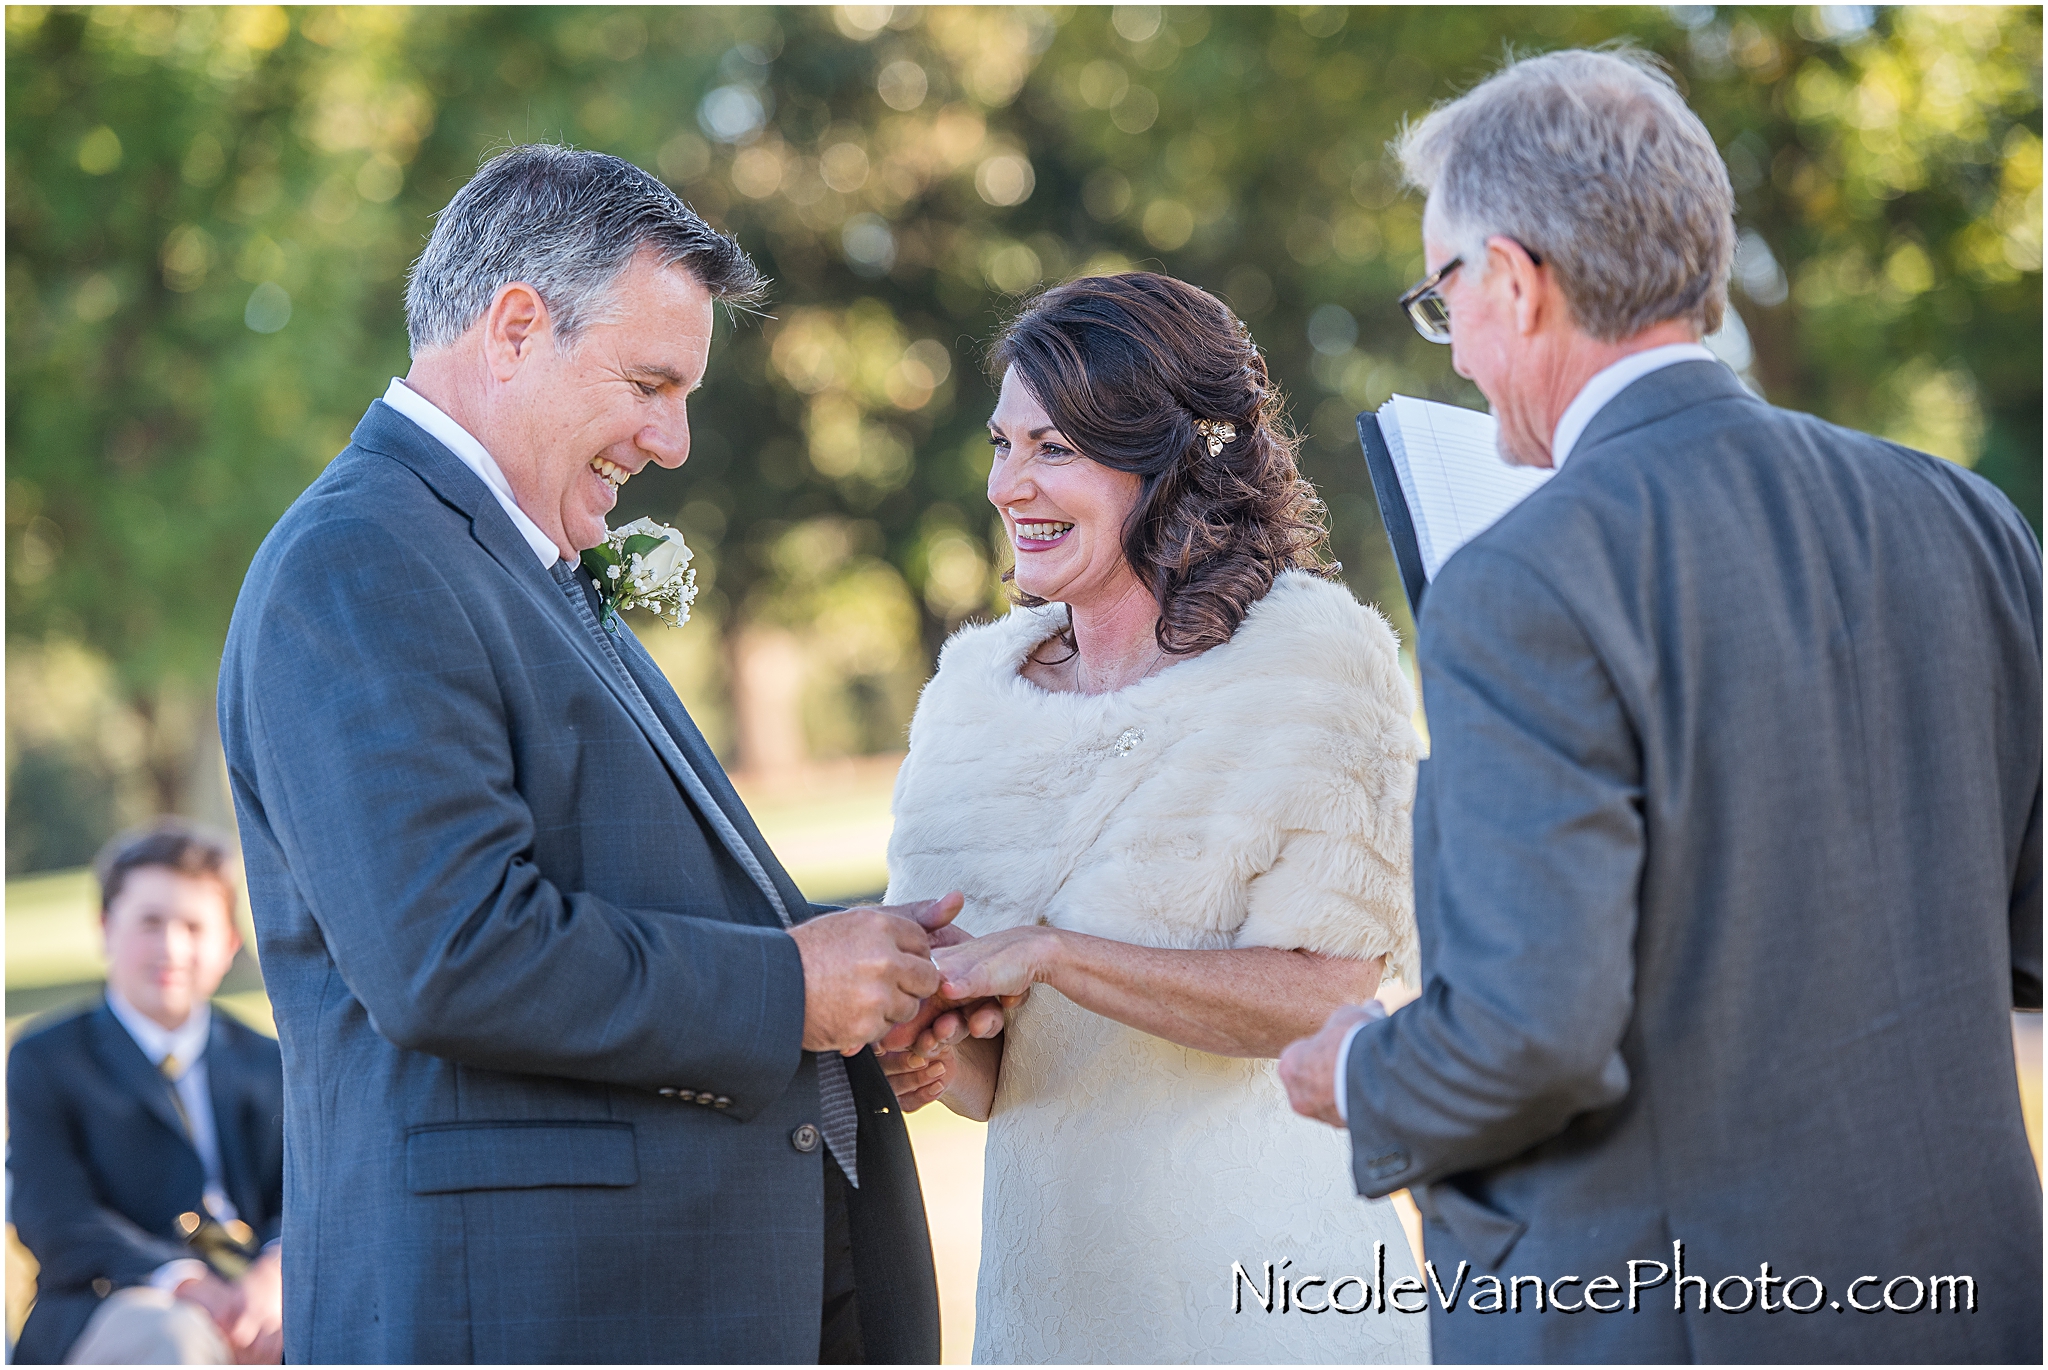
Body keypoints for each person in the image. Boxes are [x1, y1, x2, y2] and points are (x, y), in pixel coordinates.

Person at [1277, 49, 2042, 1363]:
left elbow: (1530, 1039)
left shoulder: (1514, 580)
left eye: (1441, 292)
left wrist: (1354, 1067)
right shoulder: (1964, 515)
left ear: (1514, 281)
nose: (1451, 341)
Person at [216, 144, 963, 1364]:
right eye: (649, 383)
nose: (670, 442)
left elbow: (619, 883)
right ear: (515, 327)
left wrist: (869, 967)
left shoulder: (499, 553)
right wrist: (789, 988)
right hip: (522, 1314)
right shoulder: (359, 562)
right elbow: (451, 951)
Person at [878, 273, 1432, 1364]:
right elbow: (998, 1074)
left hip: (1269, 1296)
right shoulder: (967, 701)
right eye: (1002, 443)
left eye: (1055, 448)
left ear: (1168, 459)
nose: (1007, 484)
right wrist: (926, 1054)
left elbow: (1320, 995)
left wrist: (1049, 951)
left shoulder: (1313, 663)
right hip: (1051, 1304)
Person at [7, 820, 284, 1365]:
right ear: (106, 927)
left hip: (260, 1296)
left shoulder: (270, 1059)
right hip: (114, 1300)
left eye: (193, 926)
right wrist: (182, 1280)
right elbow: (53, 1216)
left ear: (229, 944)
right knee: (173, 1342)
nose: (172, 948)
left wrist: (275, 1273)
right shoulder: (48, 1058)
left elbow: (305, 1192)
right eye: (150, 923)